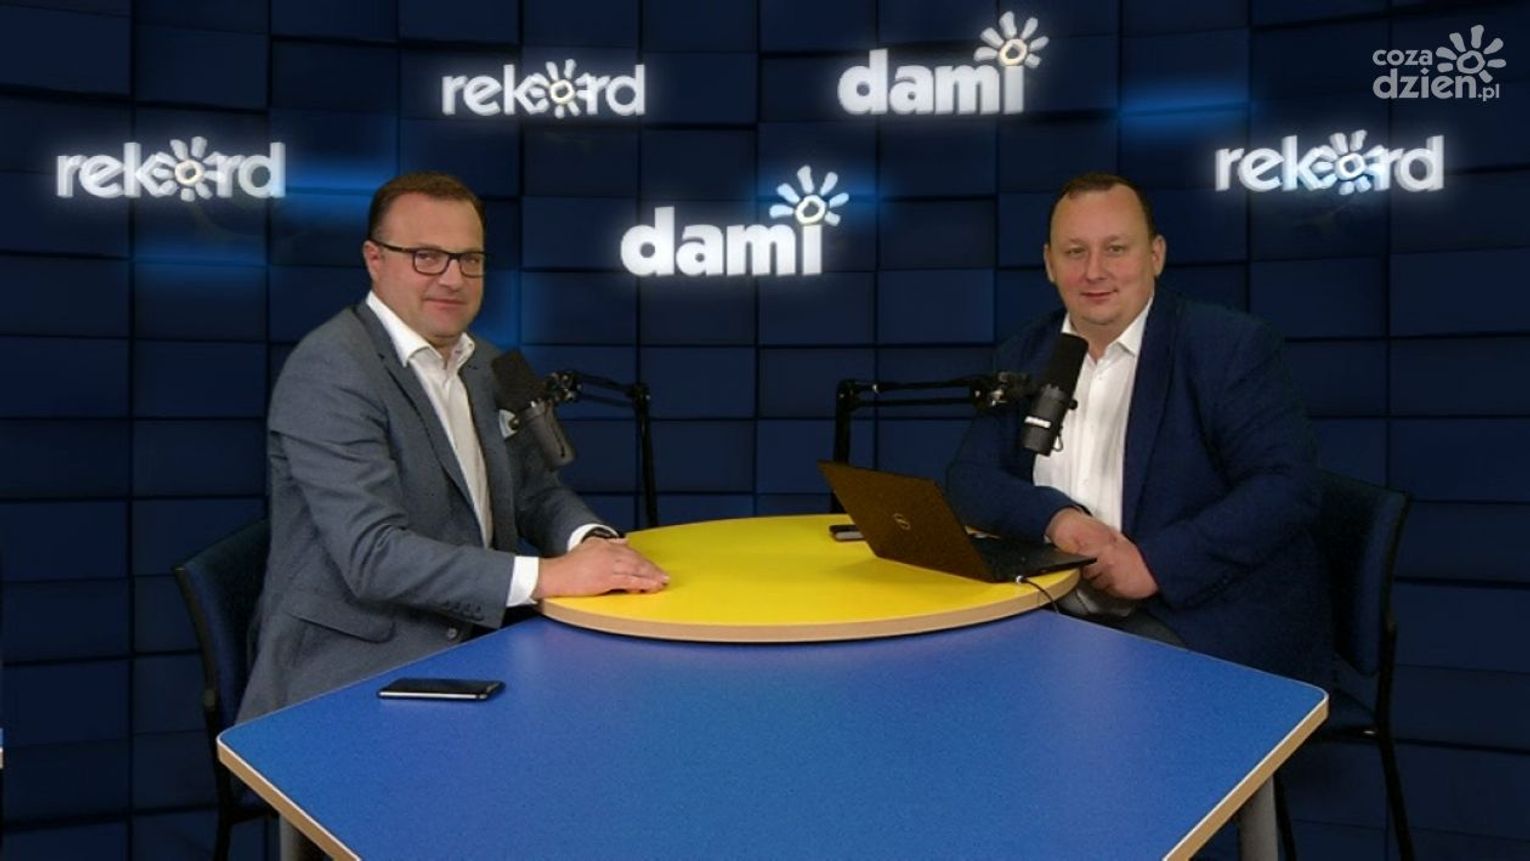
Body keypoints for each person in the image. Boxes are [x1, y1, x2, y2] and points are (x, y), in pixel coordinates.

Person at [241, 171, 668, 726]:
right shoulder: (330, 370)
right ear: (375, 259)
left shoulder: (489, 363)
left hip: (480, 642)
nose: (452, 278)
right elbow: (373, 556)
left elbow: (536, 492)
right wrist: (548, 577)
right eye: (426, 257)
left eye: (469, 259)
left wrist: (594, 545)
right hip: (351, 677)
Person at [947, 171, 1330, 686]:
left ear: (1155, 255)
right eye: (1075, 252)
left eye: (1116, 249)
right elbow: (970, 476)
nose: (1094, 271)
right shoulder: (1025, 352)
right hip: (1055, 611)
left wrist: (1155, 563)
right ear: (1049, 264)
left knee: (1087, 695)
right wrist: (1058, 520)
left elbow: (1287, 488)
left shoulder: (1227, 346)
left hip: (1198, 617)